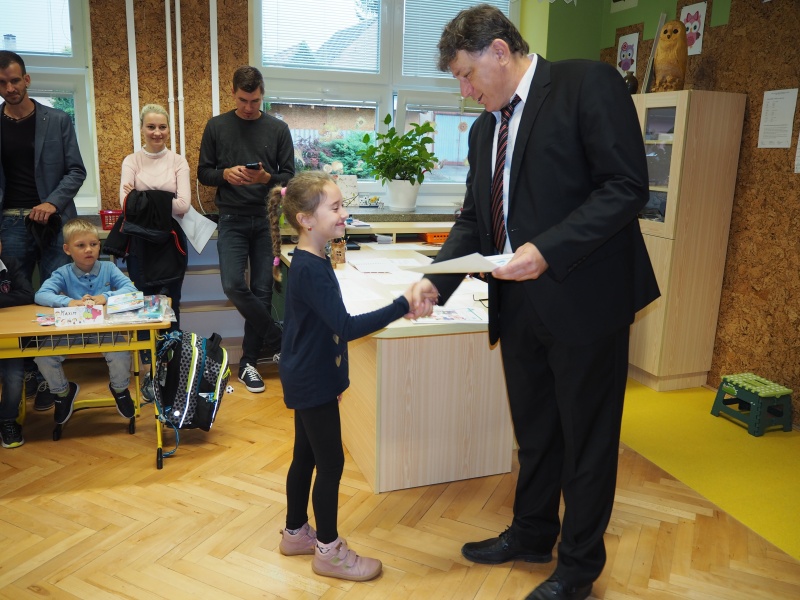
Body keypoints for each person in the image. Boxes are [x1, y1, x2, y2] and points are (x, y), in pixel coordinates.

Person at [410, 6, 660, 600]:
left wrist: (548, 249)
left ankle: (578, 568)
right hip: (517, 305)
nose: (465, 91)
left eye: (467, 75)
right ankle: (531, 533)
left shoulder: (585, 85)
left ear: (500, 51)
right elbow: (475, 220)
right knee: (536, 431)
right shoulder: (483, 131)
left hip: (585, 302)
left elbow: (626, 187)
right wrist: (435, 280)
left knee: (587, 440)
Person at [267, 171, 435, 582]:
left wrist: (335, 376)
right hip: (312, 379)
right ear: (306, 220)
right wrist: (402, 304)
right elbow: (344, 325)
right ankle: (328, 551)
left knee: (305, 455)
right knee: (331, 464)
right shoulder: (310, 267)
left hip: (307, 373)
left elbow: (322, 328)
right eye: (336, 207)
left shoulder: (311, 258)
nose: (344, 213)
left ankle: (295, 533)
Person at [0, 50, 87, 413]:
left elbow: (76, 170)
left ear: (27, 79)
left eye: (15, 80)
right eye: (2, 83)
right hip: (10, 224)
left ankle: (53, 378)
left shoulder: (57, 120)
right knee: (15, 302)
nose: (10, 88)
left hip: (53, 223)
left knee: (56, 299)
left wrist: (51, 202)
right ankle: (27, 373)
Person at [197, 65, 293, 395]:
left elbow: (289, 177)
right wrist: (225, 174)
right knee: (233, 285)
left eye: (255, 101)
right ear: (233, 93)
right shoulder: (216, 126)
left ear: (262, 95)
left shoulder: (278, 129)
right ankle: (278, 338)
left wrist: (267, 178)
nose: (249, 107)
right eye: (242, 100)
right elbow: (204, 173)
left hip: (267, 220)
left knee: (263, 292)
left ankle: (249, 363)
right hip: (232, 219)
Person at [34, 218, 138, 426]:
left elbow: (131, 290)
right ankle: (63, 393)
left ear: (99, 245)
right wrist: (69, 302)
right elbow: (41, 295)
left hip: (104, 328)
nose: (88, 250)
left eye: (93, 244)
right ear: (67, 249)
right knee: (43, 356)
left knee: (120, 353)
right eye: (80, 245)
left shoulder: (109, 268)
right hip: (72, 329)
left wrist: (105, 297)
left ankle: (119, 390)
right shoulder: (62, 273)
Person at [119, 103, 190, 329]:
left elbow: (183, 204)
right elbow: (126, 204)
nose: (157, 132)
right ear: (142, 128)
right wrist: (164, 199)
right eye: (151, 127)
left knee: (171, 304)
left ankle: (172, 350)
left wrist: (141, 197)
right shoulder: (131, 161)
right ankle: (147, 353)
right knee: (142, 305)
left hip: (171, 241)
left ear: (169, 129)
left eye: (162, 127)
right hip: (140, 243)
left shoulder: (178, 161)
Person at [0, 238, 35, 448]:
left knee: (14, 376)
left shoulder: (10, 264)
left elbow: (27, 294)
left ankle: (8, 420)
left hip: (8, 337)